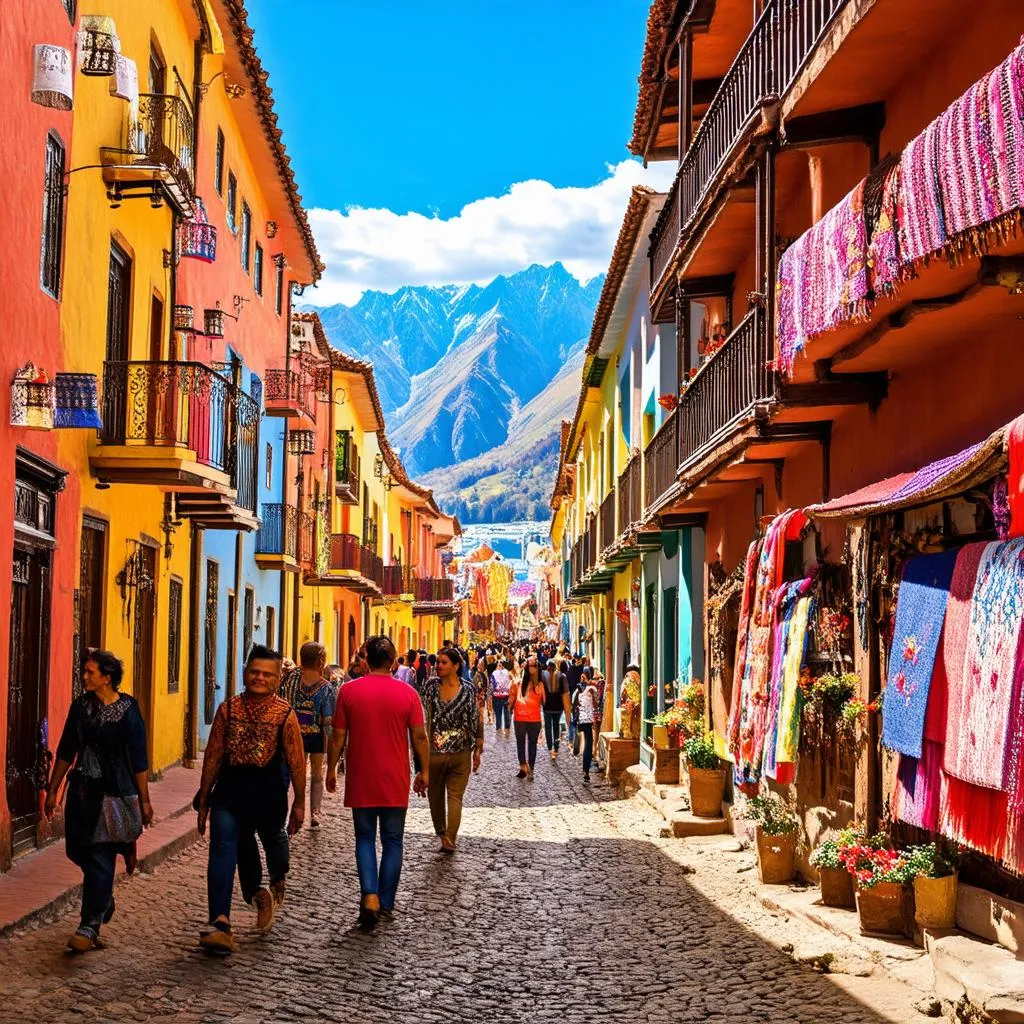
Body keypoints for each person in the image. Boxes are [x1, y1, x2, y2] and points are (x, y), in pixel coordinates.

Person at [195, 645, 305, 954]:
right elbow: (214, 754)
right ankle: (220, 921)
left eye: (267, 674)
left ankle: (277, 877)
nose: (259, 678)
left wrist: (299, 802)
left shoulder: (285, 713)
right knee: (223, 851)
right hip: (230, 794)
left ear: (277, 679)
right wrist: (204, 799)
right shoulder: (228, 709)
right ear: (245, 673)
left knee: (275, 843)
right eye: (254, 672)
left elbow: (296, 760)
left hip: (269, 796)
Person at [44, 651, 153, 953]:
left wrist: (144, 801)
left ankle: (89, 924)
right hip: (82, 792)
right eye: (85, 672)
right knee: (77, 849)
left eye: (91, 672)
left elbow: (140, 758)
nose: (85, 677)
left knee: (100, 854)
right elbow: (67, 749)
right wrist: (53, 790)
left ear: (107, 677)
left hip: (115, 793)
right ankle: (103, 895)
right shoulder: (80, 707)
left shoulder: (128, 709)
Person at [326, 635, 429, 930]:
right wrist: (424, 771)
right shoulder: (409, 694)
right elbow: (419, 737)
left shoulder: (348, 691)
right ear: (394, 661)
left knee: (364, 838)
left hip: (362, 775)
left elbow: (339, 737)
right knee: (394, 840)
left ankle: (369, 895)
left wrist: (332, 768)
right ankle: (386, 901)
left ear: (365, 660)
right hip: (395, 776)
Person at [420, 648, 483, 852]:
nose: (438, 665)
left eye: (444, 662)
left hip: (451, 753)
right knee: (445, 796)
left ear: (456, 666)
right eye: (438, 662)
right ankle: (447, 837)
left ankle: (445, 835)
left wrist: (478, 748)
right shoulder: (463, 689)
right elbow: (423, 719)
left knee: (444, 796)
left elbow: (475, 718)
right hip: (444, 752)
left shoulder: (432, 687)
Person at [289, 641, 336, 827]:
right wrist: (332, 747)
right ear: (321, 661)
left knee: (296, 772)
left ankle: (297, 805)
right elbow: (328, 721)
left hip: (293, 735)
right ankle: (314, 812)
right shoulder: (326, 688)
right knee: (317, 773)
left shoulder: (290, 680)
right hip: (316, 736)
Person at [510, 655, 544, 780]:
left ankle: (524, 766)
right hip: (532, 718)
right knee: (531, 744)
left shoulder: (518, 683)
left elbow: (512, 698)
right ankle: (529, 767)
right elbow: (543, 701)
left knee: (523, 743)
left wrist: (509, 707)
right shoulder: (539, 685)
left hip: (521, 718)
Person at [541, 659, 571, 761]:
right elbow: (565, 693)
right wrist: (567, 710)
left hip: (547, 706)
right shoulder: (561, 676)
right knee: (556, 726)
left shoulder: (543, 676)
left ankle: (550, 748)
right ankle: (556, 747)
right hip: (558, 707)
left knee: (548, 727)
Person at [574, 672, 601, 783]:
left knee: (583, 742)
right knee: (588, 745)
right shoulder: (592, 689)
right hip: (589, 720)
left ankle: (585, 768)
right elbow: (597, 702)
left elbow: (573, 704)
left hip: (580, 720)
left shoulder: (577, 690)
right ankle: (586, 771)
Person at [490, 657, 512, 732]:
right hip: (505, 695)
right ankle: (506, 727)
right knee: (505, 713)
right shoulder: (507, 672)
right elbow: (510, 682)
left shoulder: (494, 673)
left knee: (499, 714)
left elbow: (492, 685)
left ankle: (499, 727)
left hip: (498, 695)